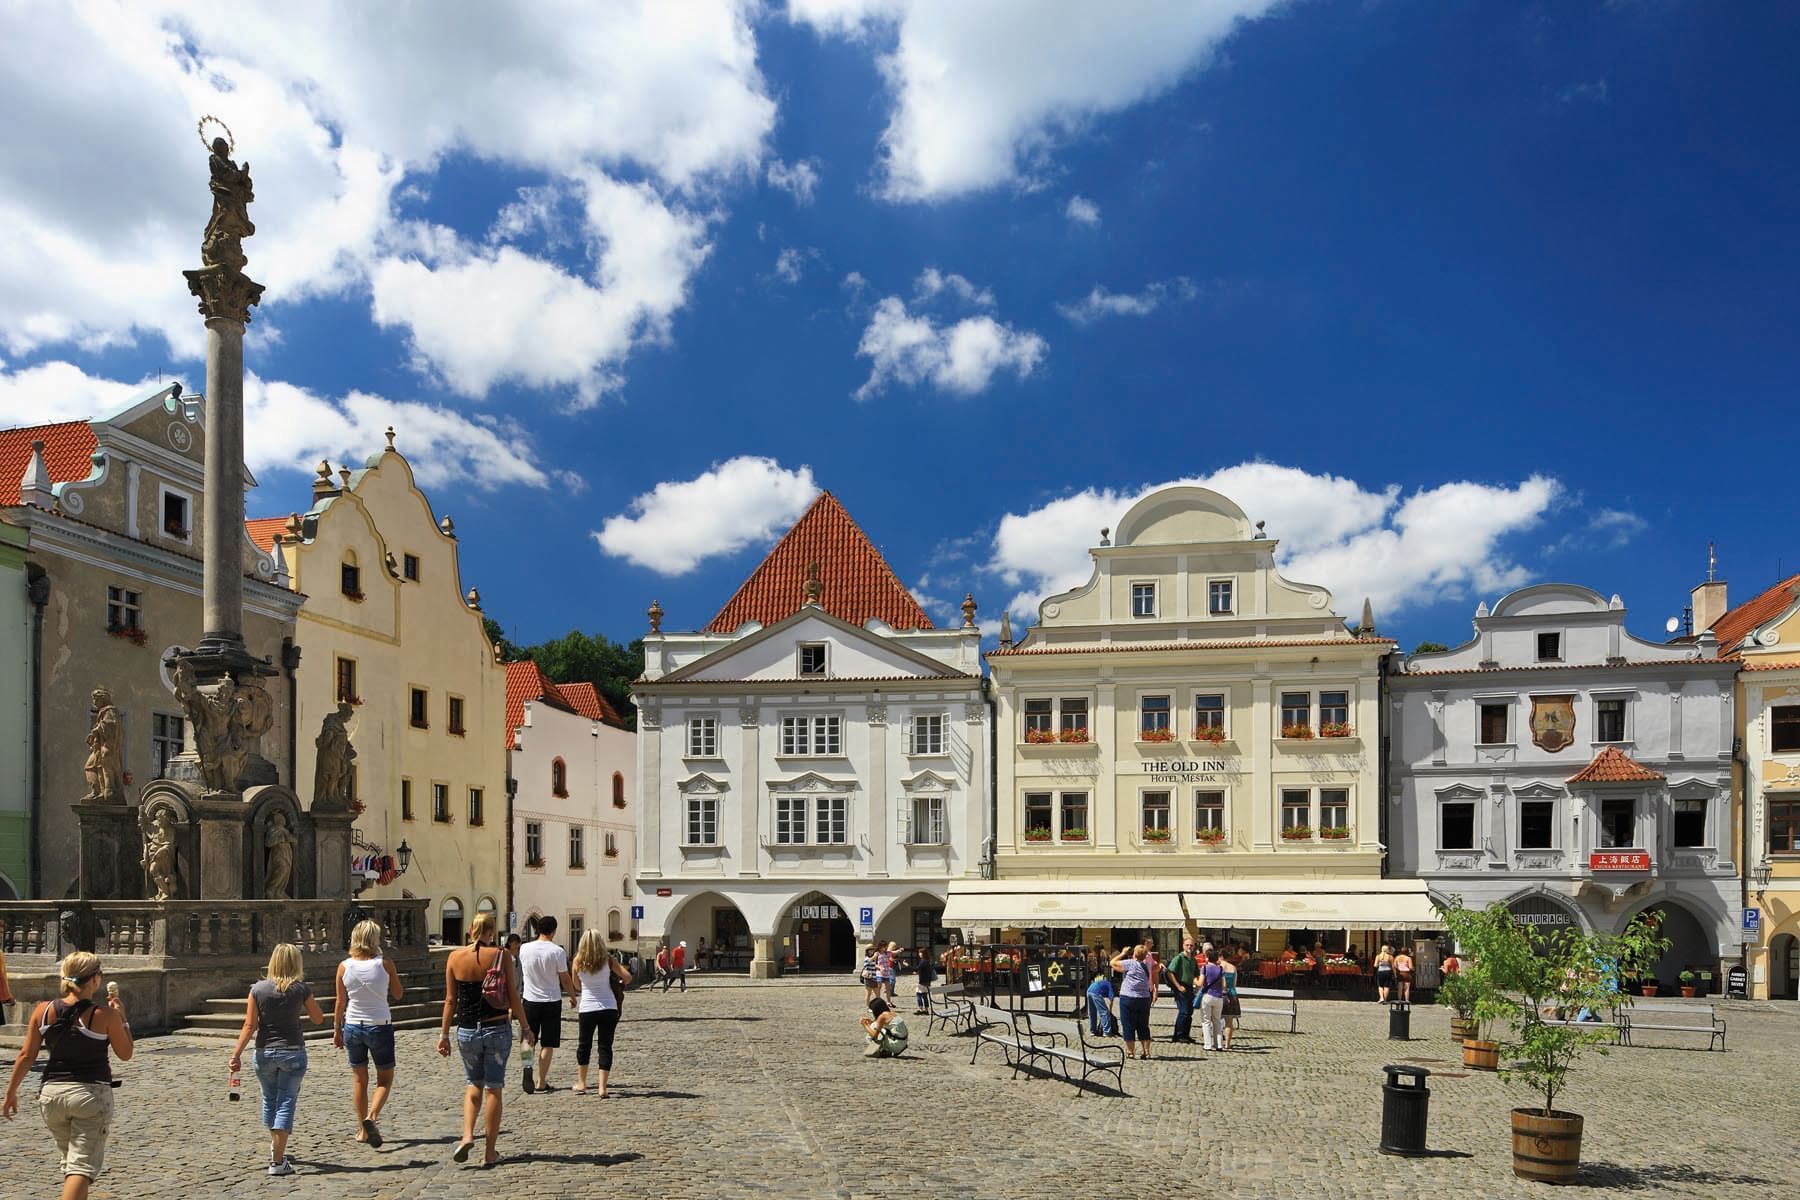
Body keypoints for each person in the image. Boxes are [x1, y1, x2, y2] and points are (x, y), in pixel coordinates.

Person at [3, 951, 133, 1200]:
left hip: (52, 1096)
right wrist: (122, 1017)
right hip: (89, 1095)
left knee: (72, 1164)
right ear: (95, 979)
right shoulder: (104, 1015)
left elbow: (26, 1055)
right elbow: (126, 1053)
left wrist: (11, 1092)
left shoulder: (43, 1010)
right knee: (80, 1168)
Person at [438, 911, 533, 1169]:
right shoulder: (500, 956)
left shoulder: (454, 957)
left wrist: (444, 1034)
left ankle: (468, 1134)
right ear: (492, 932)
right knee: (494, 1088)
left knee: (473, 1084)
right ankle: (490, 1152)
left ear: (470, 930)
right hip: (496, 1028)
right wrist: (525, 1027)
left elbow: (450, 1001)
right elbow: (513, 995)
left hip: (466, 1031)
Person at [229, 943, 326, 1176]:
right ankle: (277, 1160)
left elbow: (249, 1025)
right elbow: (318, 1018)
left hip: (264, 1052)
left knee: (269, 1099)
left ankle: (276, 1147)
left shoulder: (258, 989)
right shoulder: (301, 989)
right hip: (292, 1050)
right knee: (286, 1101)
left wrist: (236, 1054)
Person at [334, 919, 404, 1147]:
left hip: (353, 1024)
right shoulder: (385, 964)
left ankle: (362, 1131)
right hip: (379, 1024)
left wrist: (337, 1029)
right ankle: (371, 1118)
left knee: (359, 1080)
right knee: (384, 1078)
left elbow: (340, 1002)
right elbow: (398, 994)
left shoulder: (344, 966)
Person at [570, 929, 632, 1097]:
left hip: (588, 1008)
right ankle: (602, 1088)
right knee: (605, 1046)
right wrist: (616, 982)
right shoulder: (609, 960)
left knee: (584, 1045)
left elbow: (576, 986)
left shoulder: (577, 961)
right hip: (608, 1006)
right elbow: (627, 977)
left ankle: (582, 1083)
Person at [518, 915, 575, 1093]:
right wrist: (573, 996)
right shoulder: (557, 951)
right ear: (553, 931)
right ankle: (541, 1082)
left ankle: (527, 1065)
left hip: (529, 1000)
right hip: (551, 1001)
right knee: (548, 1043)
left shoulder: (524, 948)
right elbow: (564, 979)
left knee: (528, 1040)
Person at [1111, 945, 1155, 1060]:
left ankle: (1130, 1052)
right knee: (1143, 1026)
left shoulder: (1130, 963)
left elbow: (1113, 963)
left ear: (1134, 953)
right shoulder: (1145, 965)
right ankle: (1146, 1051)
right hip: (1144, 998)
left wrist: (1123, 953)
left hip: (1128, 997)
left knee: (1128, 1025)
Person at [1165, 936, 1199, 1044]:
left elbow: (1195, 974)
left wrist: (1197, 985)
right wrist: (1178, 986)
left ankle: (1185, 1034)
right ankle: (1178, 1035)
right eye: (1187, 945)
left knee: (1189, 1011)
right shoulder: (1179, 958)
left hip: (1189, 987)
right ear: (1183, 946)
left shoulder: (1193, 959)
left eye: (1191, 945)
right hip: (1181, 986)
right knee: (1184, 1011)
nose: (1189, 947)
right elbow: (1170, 972)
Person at [1196, 946, 1227, 1051]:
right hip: (1219, 997)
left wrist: (1194, 980)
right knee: (1217, 1021)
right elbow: (1224, 985)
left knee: (1206, 1021)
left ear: (1207, 958)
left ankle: (1207, 1045)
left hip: (1208, 996)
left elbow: (1200, 983)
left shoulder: (1204, 968)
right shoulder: (1220, 969)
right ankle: (1219, 1044)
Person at [1085, 968, 1118, 1037]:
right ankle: (1107, 1032)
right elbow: (1111, 1001)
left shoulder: (1105, 983)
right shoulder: (1110, 987)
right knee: (1104, 1012)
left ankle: (1093, 1031)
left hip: (1089, 990)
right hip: (1096, 992)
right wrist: (1110, 1012)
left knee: (1092, 1012)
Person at [1220, 949, 1241, 1051]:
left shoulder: (1219, 967)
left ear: (1220, 956)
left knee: (1216, 1021)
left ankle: (1218, 1043)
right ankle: (1227, 1044)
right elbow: (1234, 984)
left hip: (1220, 994)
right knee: (1229, 1022)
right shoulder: (1233, 968)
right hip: (1232, 995)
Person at [913, 946, 936, 1014]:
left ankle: (921, 1009)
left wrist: (907, 965)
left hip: (923, 982)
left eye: (920, 953)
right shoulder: (927, 961)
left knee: (919, 995)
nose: (919, 954)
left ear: (923, 954)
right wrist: (918, 972)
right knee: (924, 995)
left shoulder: (923, 961)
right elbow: (923, 970)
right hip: (927, 982)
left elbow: (917, 968)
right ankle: (926, 1010)